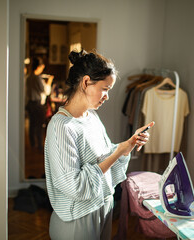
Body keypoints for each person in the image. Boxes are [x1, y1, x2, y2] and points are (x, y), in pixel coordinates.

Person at [44, 50, 155, 239]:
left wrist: (126, 147)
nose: (107, 96)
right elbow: (74, 186)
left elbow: (104, 157)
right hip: (78, 219)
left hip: (103, 207)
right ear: (86, 82)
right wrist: (117, 152)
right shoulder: (61, 127)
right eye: (105, 89)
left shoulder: (92, 117)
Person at [25, 56, 54, 151]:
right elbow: (45, 91)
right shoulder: (37, 78)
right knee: (39, 126)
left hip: (30, 103)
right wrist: (49, 82)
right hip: (37, 104)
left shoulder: (29, 77)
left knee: (32, 126)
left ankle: (33, 145)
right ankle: (40, 147)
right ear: (39, 67)